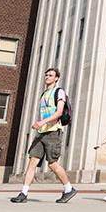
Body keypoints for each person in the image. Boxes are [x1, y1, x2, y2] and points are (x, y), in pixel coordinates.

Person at [10, 68, 76, 204]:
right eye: (46, 75)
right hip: (41, 133)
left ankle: (69, 188)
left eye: (50, 75)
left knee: (52, 164)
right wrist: (41, 125)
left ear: (56, 78)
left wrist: (42, 122)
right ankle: (24, 193)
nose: (47, 77)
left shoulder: (59, 92)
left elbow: (58, 112)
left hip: (53, 132)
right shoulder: (44, 94)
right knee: (32, 161)